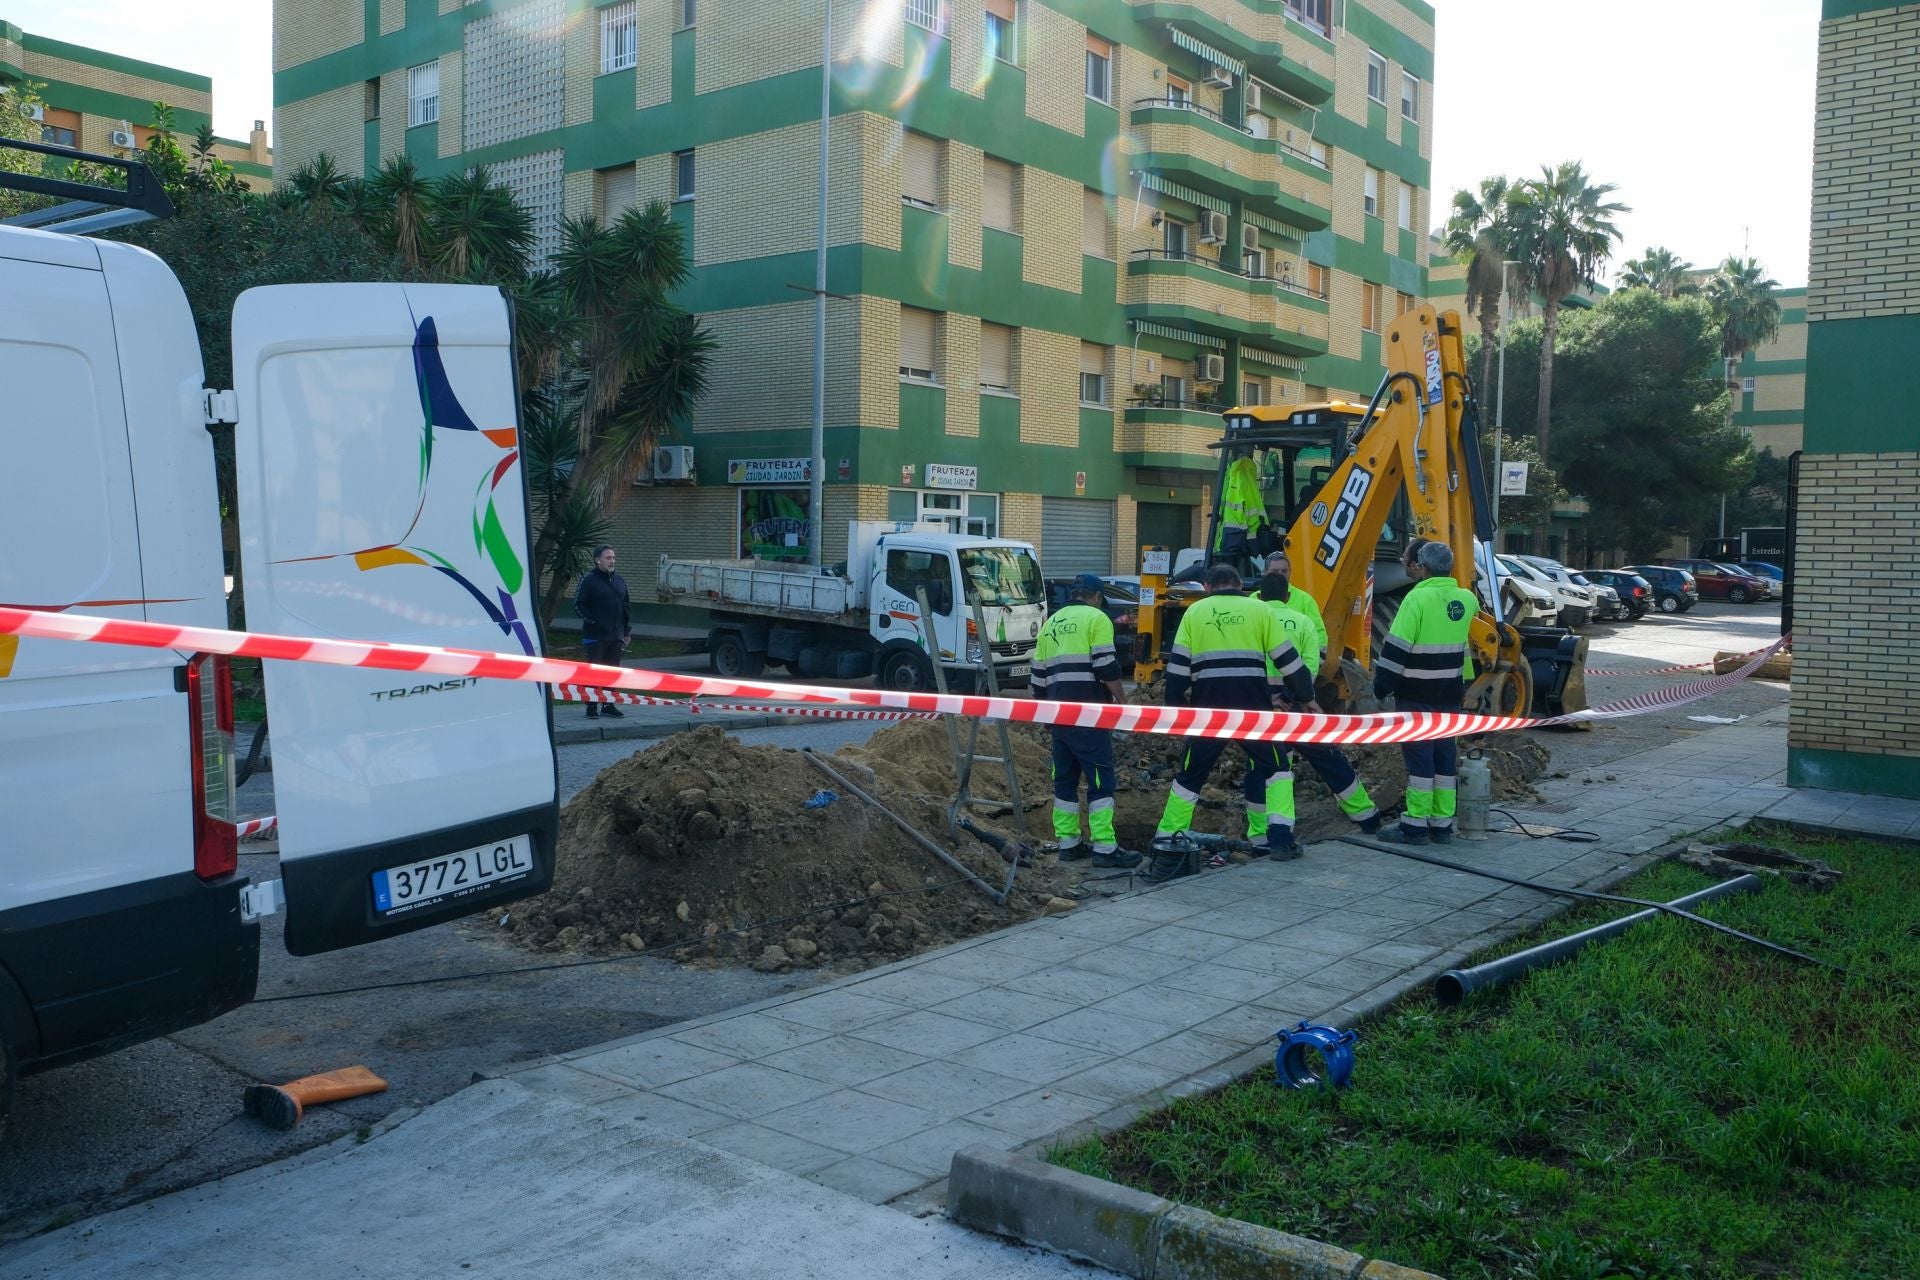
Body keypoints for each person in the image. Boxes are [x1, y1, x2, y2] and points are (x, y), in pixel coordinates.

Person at [1149, 562, 1316, 877]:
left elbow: (1178, 670)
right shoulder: (1260, 611)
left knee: (1189, 777)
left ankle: (1166, 840)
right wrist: (1307, 698)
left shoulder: (1195, 613)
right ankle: (1280, 840)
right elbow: (1288, 662)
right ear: (1240, 585)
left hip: (1208, 714)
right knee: (1278, 769)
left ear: (1208, 588)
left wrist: (1175, 708)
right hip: (1253, 712)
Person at [1244, 569, 1383, 839]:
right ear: (1288, 595)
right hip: (1299, 708)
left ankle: (1262, 834)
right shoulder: (1303, 622)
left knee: (1263, 768)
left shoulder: (1252, 623)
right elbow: (1311, 666)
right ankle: (1366, 815)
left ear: (1259, 596)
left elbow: (1246, 666)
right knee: (1328, 759)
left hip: (1264, 710)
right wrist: (1295, 698)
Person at [1030, 574, 1141, 869]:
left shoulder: (1050, 623)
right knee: (1101, 779)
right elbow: (1105, 664)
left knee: (1064, 780)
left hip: (1058, 714)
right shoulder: (1096, 618)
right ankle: (1105, 847)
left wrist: (1044, 712)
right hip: (1089, 714)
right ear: (1096, 597)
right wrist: (1121, 699)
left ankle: (1068, 843)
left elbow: (1038, 674)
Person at [1373, 540, 1479, 843]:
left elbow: (1396, 650)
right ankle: (1441, 824)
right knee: (1444, 757)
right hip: (1449, 694)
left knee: (1420, 759)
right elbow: (1462, 649)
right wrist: (1465, 686)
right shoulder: (1466, 599)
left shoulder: (1416, 600)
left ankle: (1415, 825)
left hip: (1416, 694)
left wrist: (1381, 687)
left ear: (1422, 567)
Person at [573, 543, 630, 719]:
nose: (612, 561)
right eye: (608, 557)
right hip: (595, 635)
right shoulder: (589, 580)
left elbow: (626, 606)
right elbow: (578, 605)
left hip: (616, 635)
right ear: (598, 560)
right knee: (594, 671)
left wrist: (626, 631)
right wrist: (593, 621)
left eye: (613, 557)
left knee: (612, 671)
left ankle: (608, 704)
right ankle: (591, 706)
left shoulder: (619, 580)